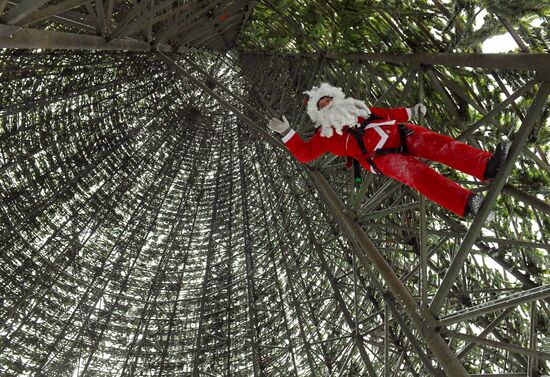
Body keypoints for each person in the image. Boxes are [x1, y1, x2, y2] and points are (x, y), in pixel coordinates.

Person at [269, 83, 509, 218]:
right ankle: (467, 203)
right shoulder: (326, 135)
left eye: (327, 99)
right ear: (318, 113)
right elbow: (305, 153)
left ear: (335, 97)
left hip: (401, 132)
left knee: (441, 144)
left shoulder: (358, 108)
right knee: (418, 175)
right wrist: (287, 133)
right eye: (321, 104)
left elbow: (388, 113)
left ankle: (487, 165)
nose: (327, 104)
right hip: (382, 158)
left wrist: (411, 111)